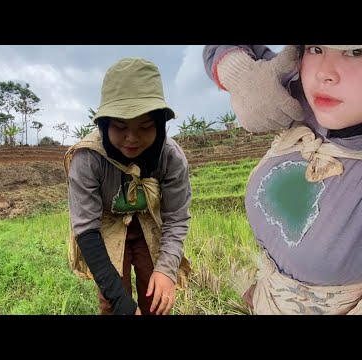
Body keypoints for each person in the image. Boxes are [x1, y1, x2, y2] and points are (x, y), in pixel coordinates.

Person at [203, 45, 362, 315]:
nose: (324, 72)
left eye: (355, 52)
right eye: (316, 48)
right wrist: (240, 73)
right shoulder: (297, 94)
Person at [64, 57, 191, 315]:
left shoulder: (170, 157)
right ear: (105, 124)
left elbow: (176, 218)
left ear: (159, 125)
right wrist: (120, 301)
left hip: (148, 222)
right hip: (105, 227)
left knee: (156, 298)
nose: (132, 138)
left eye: (145, 127)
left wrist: (166, 270)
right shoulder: (88, 159)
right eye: (121, 127)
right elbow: (86, 231)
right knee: (113, 303)